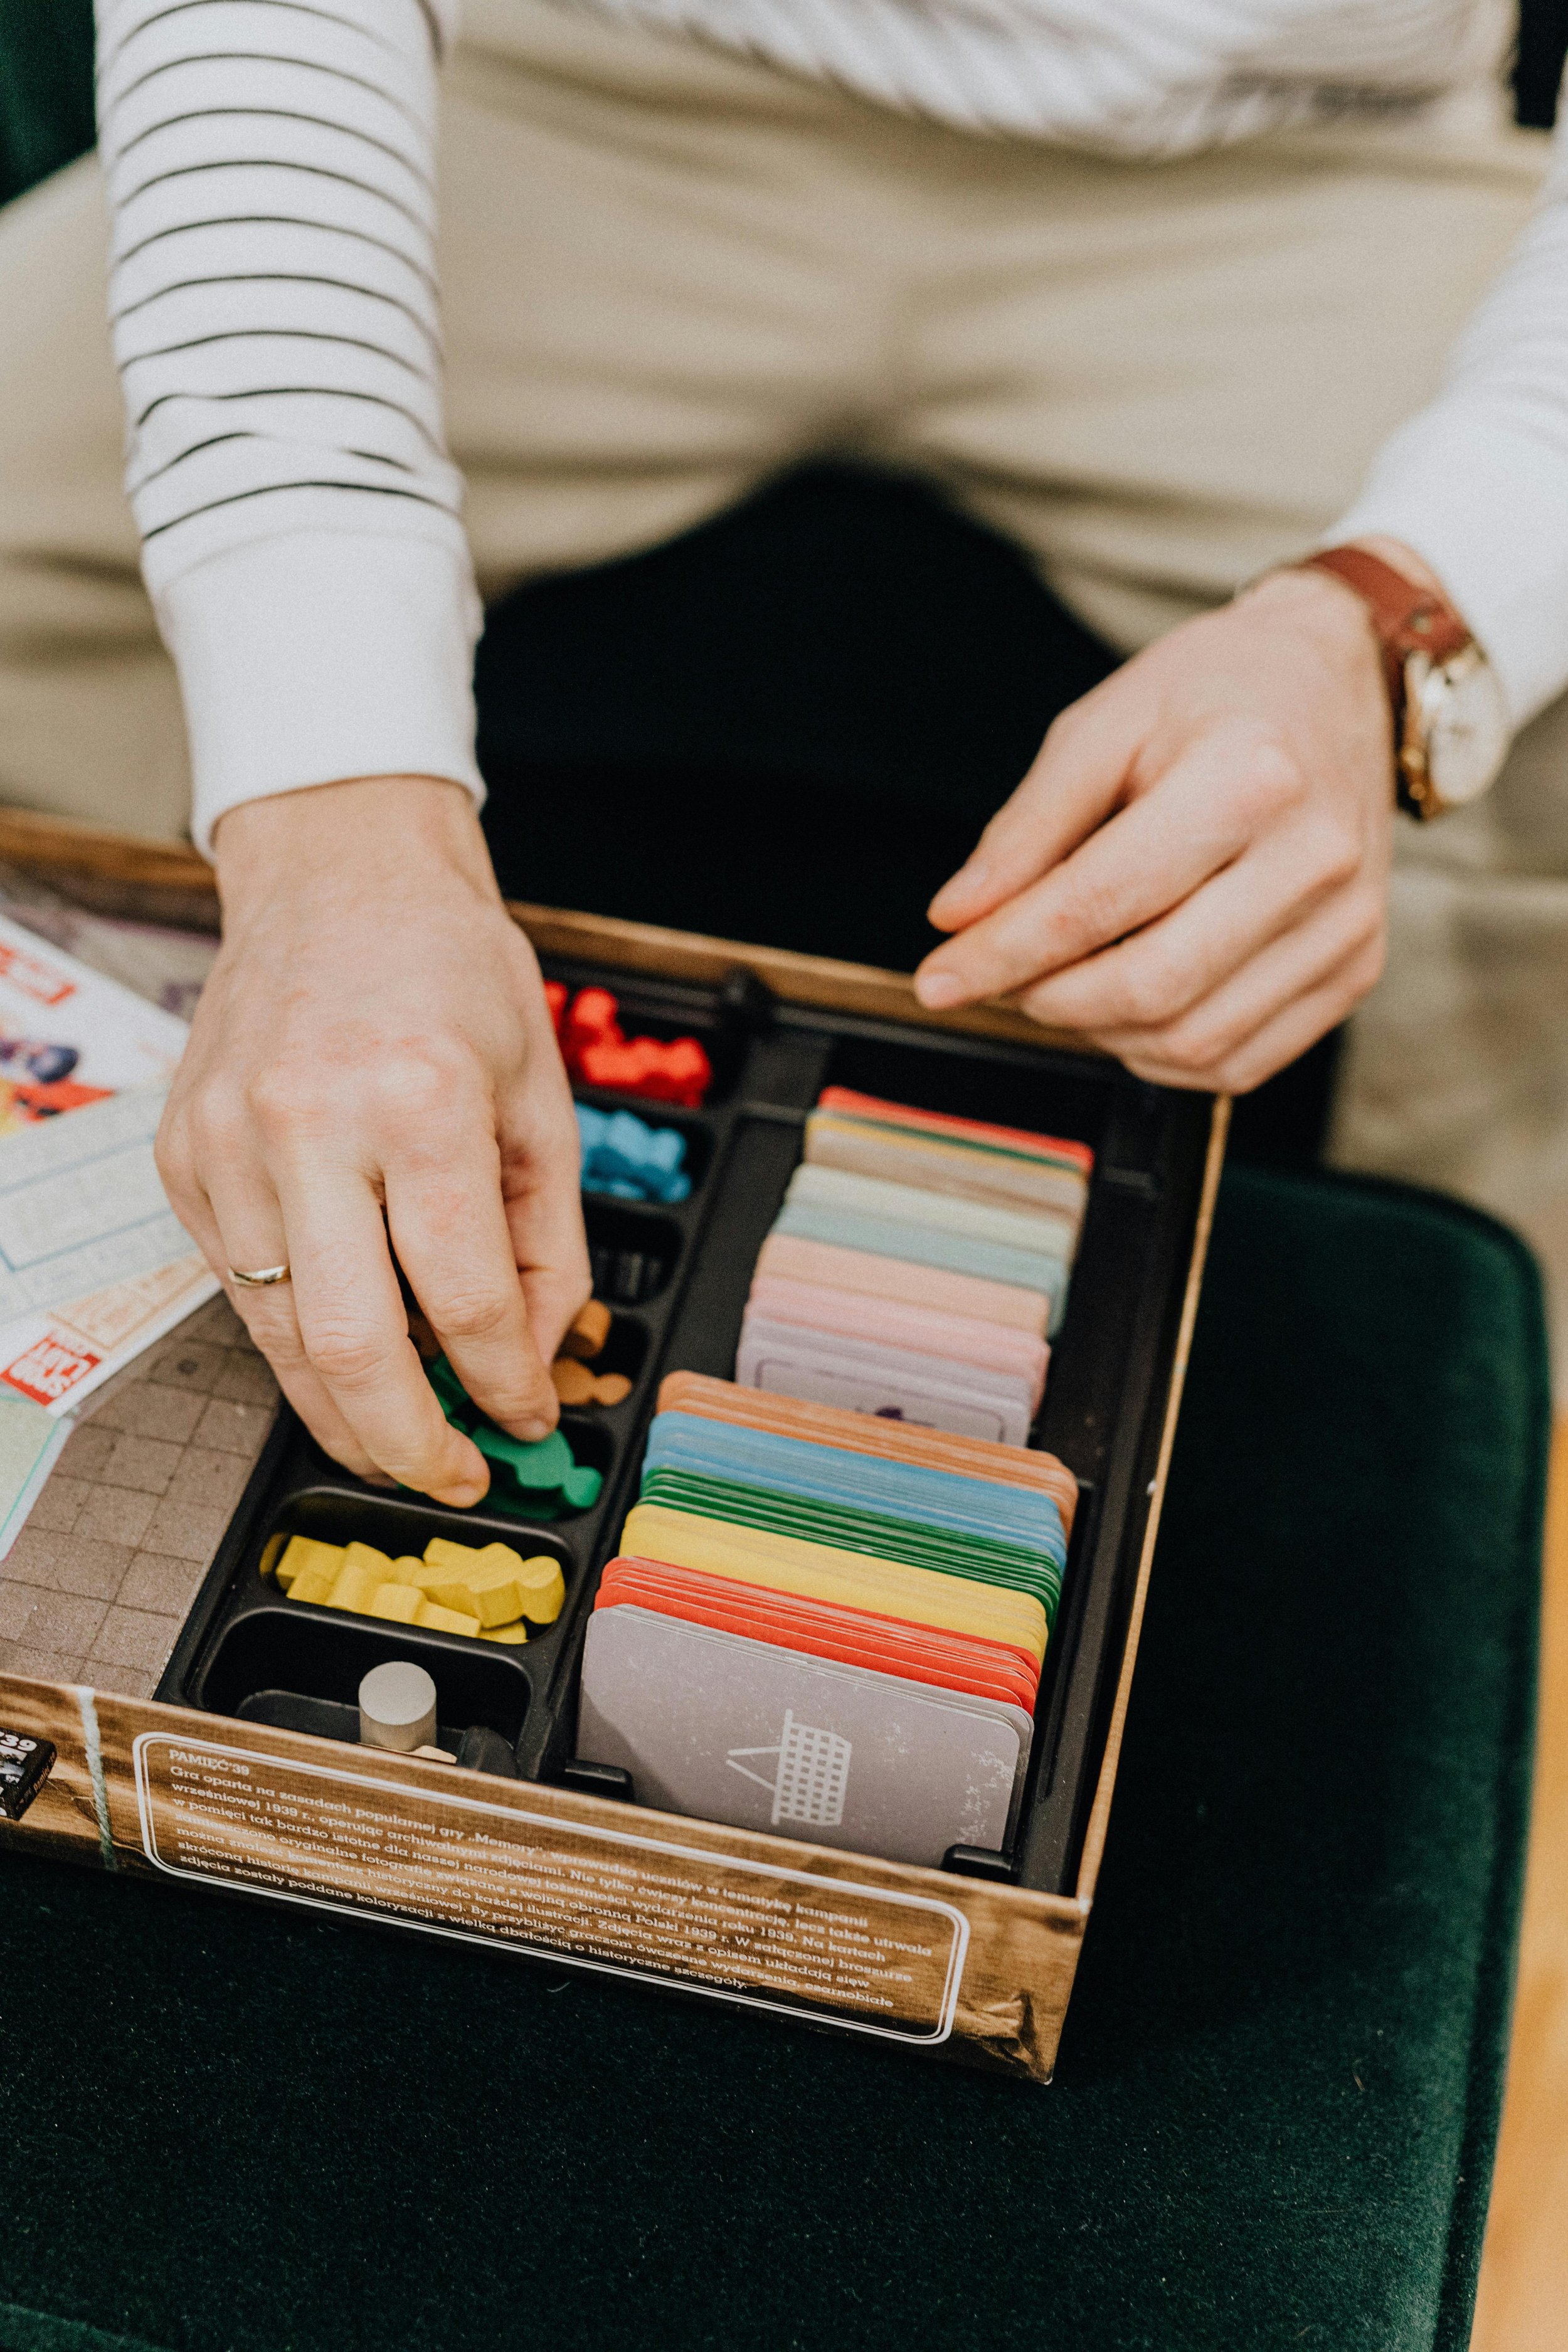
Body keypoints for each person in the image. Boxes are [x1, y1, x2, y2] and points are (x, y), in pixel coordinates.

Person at [1, 0, 1564, 1502]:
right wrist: (332, 834)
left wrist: (1389, 626)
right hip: (582, 72)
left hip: (1308, 166)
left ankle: (1476, 1441)